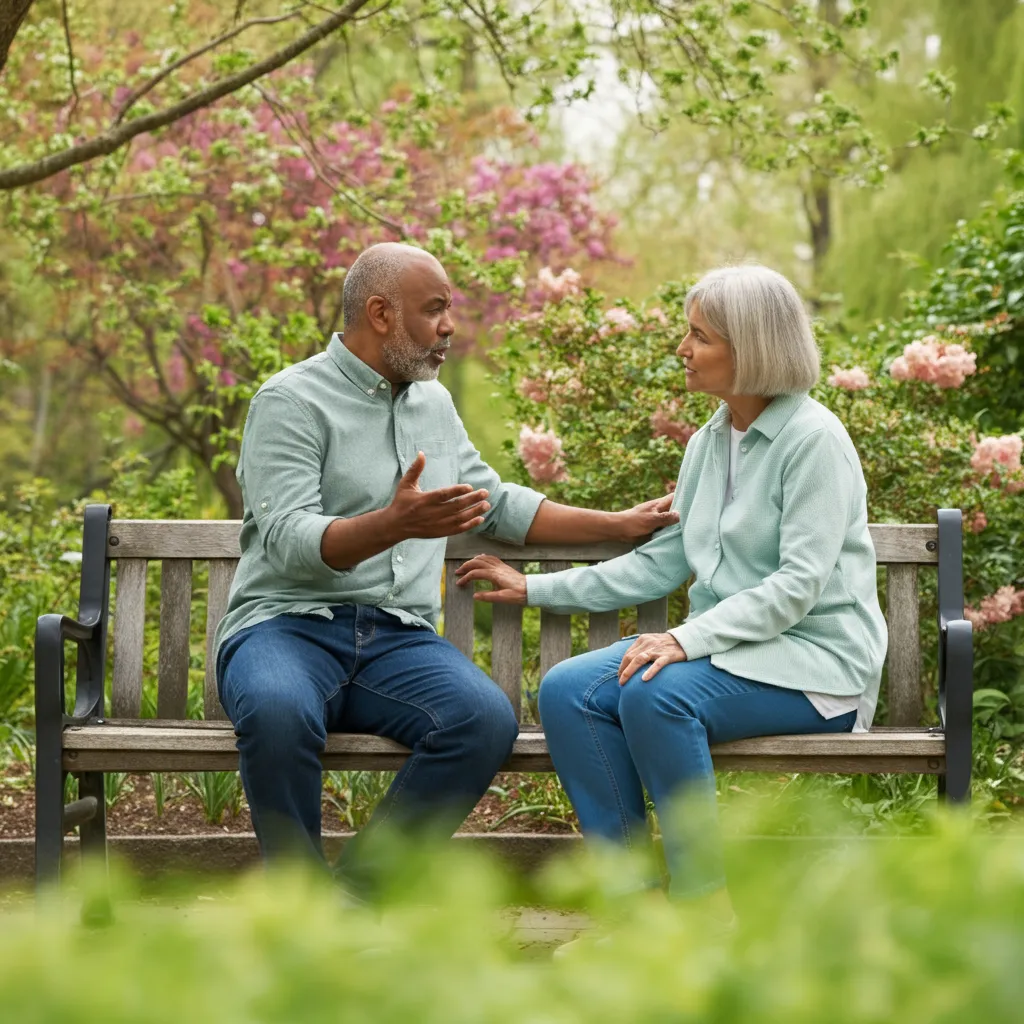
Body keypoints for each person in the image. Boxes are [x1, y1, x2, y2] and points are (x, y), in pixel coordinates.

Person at [213, 242, 678, 889]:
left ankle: (350, 902)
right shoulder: (290, 401)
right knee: (276, 711)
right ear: (380, 313)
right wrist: (393, 524)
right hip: (285, 627)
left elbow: (497, 504)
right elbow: (289, 539)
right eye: (434, 311)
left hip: (396, 638)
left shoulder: (432, 404)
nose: (448, 327)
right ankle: (295, 901)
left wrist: (618, 523)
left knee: (481, 720)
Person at [455, 264, 888, 921]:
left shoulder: (814, 442)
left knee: (657, 694)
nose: (681, 350)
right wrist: (535, 586)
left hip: (814, 666)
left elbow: (798, 586)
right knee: (570, 692)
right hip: (729, 655)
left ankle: (703, 908)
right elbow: (662, 563)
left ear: (752, 348)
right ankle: (634, 911)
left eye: (699, 336)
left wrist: (684, 639)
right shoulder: (709, 444)